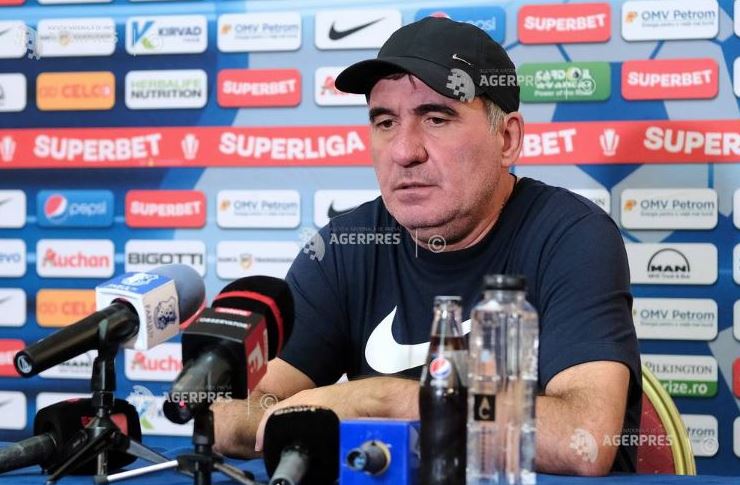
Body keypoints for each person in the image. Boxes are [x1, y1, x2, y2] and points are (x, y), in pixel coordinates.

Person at [213, 17, 641, 476]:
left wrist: (380, 399)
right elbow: (230, 415)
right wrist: (274, 416)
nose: (404, 152)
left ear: (507, 139)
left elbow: (585, 438)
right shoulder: (343, 247)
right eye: (385, 122)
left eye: (436, 118)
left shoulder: (571, 235)